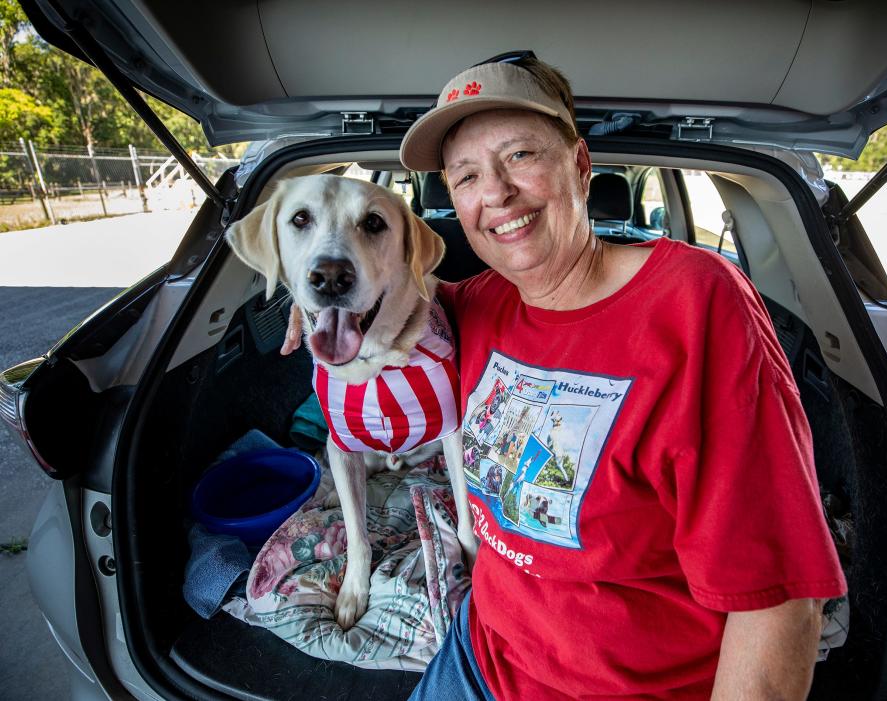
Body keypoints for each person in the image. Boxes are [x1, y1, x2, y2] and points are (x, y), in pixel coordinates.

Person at [283, 53, 846, 700]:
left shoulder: (696, 303)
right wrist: (318, 303)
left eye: (521, 155)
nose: (494, 192)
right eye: (465, 175)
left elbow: (777, 602)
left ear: (580, 164)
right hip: (480, 654)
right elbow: (389, 301)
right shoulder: (476, 305)